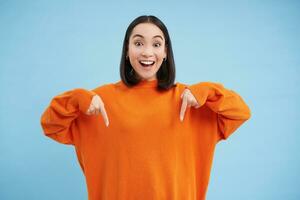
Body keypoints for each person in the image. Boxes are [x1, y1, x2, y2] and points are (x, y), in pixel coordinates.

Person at [40, 15, 251, 200]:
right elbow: (50, 125)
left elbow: (240, 112)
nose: (147, 52)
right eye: (138, 43)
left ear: (166, 52)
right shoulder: (97, 102)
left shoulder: (191, 101)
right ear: (127, 50)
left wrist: (209, 91)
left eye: (156, 44)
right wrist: (76, 98)